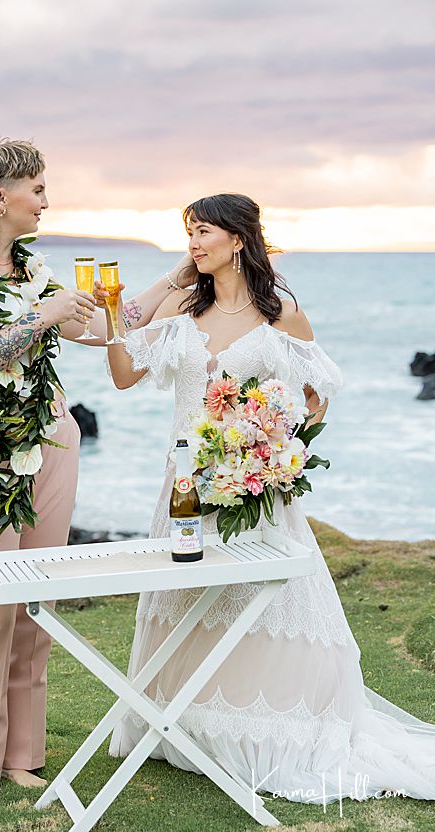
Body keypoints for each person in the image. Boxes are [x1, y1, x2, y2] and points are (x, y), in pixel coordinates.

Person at [103, 192, 435, 801]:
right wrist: (114, 308)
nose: (194, 245)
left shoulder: (283, 315)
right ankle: (188, 724)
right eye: (189, 234)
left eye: (202, 232)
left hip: (257, 495)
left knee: (263, 604)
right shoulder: (182, 309)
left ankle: (275, 732)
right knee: (191, 604)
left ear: (238, 238)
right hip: (184, 488)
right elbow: (122, 374)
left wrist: (274, 448)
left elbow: (313, 403)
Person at [0, 135, 198, 796]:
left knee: (33, 603)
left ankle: (22, 754)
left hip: (54, 437)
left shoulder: (33, 269)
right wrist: (42, 317)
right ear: (0, 195)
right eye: (38, 190)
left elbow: (110, 326)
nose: (46, 201)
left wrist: (177, 277)